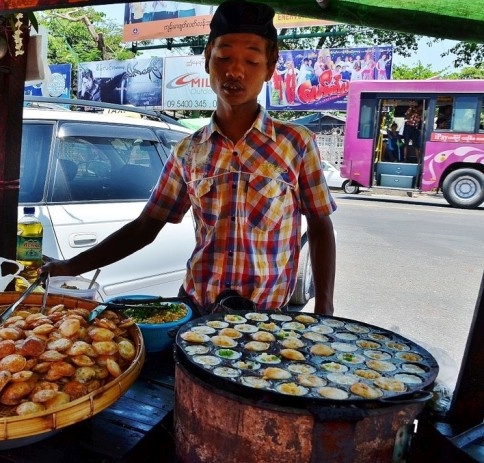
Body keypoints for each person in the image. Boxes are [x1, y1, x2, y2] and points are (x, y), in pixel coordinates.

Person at [41, 0, 337, 316]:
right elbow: (145, 227)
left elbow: (319, 226)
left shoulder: (296, 144)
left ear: (270, 66)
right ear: (208, 57)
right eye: (223, 57)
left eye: (251, 61)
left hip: (265, 319)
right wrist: (70, 266)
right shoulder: (189, 151)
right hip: (197, 311)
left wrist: (324, 306)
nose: (235, 71)